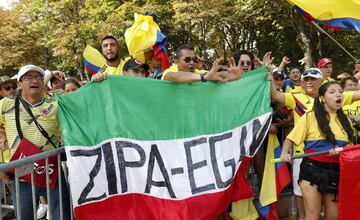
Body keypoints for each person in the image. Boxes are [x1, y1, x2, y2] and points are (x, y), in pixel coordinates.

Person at [0, 64, 71, 220]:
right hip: (23, 176)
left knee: (63, 216)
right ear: (20, 84)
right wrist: (2, 133)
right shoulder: (6, 104)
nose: (35, 80)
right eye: (29, 77)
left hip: (52, 172)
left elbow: (81, 103)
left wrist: (97, 81)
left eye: (39, 77)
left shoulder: (55, 103)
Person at [280, 81, 353, 220]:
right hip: (312, 168)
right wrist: (284, 153)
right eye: (332, 92)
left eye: (340, 92)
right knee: (312, 215)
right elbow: (290, 139)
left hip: (336, 170)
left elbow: (349, 147)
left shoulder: (346, 120)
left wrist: (343, 150)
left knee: (333, 216)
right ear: (323, 98)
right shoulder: (310, 116)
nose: (338, 94)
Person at [161, 44, 242, 83]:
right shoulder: (169, 72)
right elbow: (173, 77)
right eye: (187, 59)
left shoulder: (200, 73)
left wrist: (231, 75)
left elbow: (217, 75)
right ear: (177, 61)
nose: (192, 62)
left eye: (194, 59)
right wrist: (204, 77)